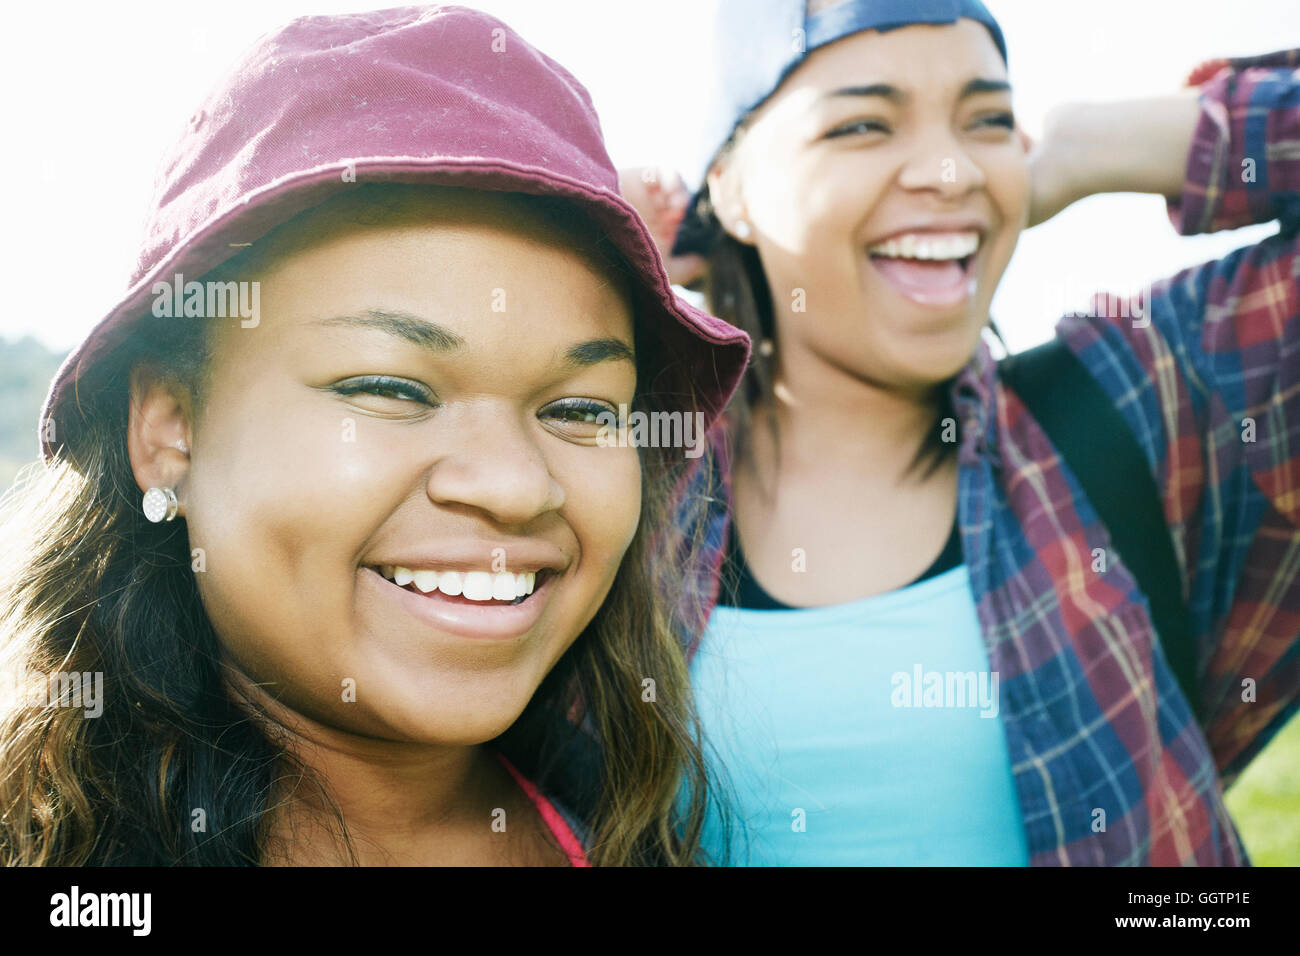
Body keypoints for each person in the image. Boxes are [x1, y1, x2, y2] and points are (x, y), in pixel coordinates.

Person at [0, 5, 749, 867]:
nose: (514, 486)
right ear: (167, 427)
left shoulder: (627, 826)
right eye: (389, 388)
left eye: (579, 410)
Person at [626, 0, 1299, 864]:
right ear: (732, 188)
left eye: (985, 118)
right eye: (865, 124)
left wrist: (1100, 144)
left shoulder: (1151, 405)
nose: (948, 172)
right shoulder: (616, 494)